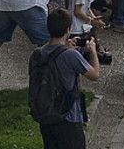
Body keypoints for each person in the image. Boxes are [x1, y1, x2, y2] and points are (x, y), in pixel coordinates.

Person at [29, 8, 102, 149]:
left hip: (46, 115)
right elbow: (95, 75)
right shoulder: (71, 56)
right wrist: (93, 51)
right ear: (68, 29)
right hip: (67, 116)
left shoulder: (37, 54)